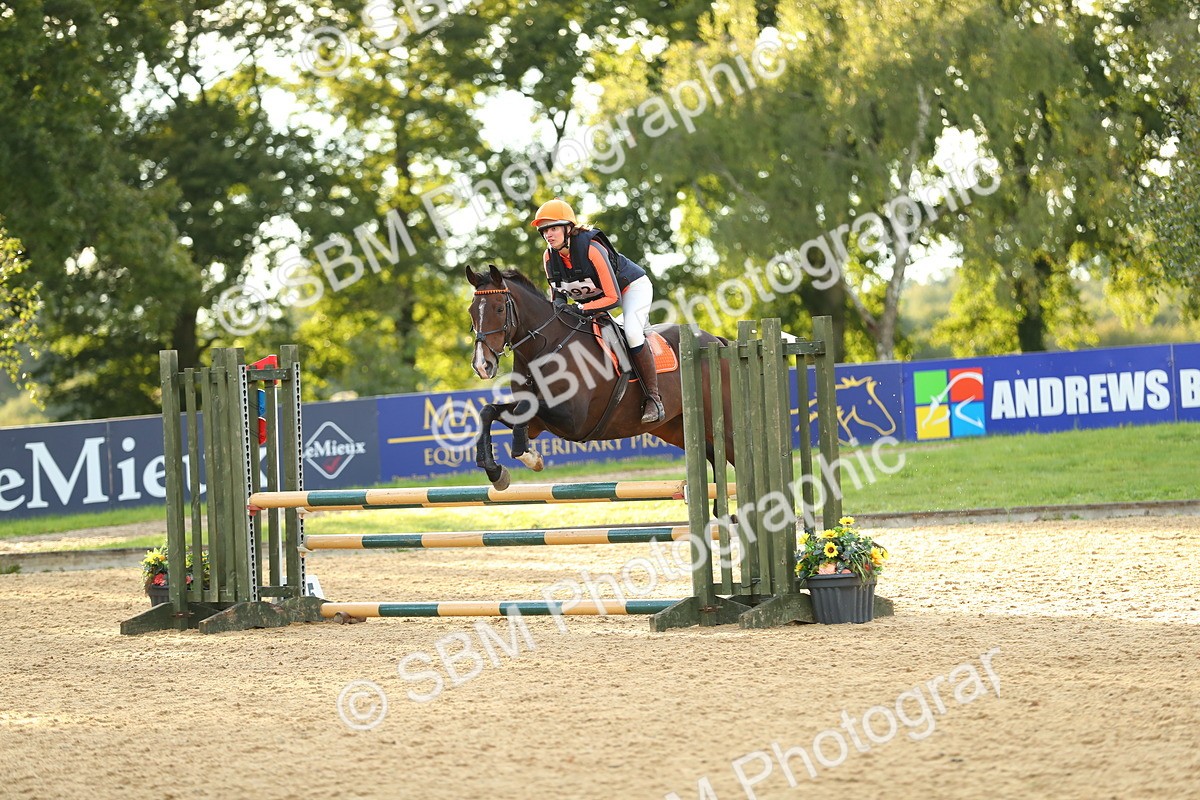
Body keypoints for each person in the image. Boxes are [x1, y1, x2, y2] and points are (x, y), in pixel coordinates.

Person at [530, 198, 664, 424]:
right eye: (544, 231)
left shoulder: (591, 248)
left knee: (631, 333)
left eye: (553, 228)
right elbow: (559, 299)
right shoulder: (548, 257)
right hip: (594, 301)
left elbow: (613, 298)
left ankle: (653, 398)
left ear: (568, 228)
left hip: (630, 289)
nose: (548, 235)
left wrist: (581, 309)